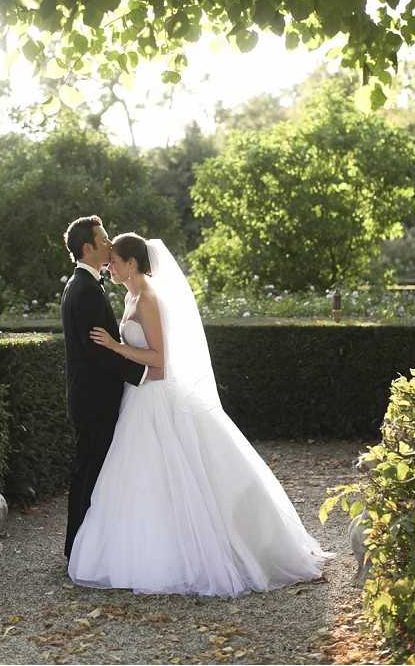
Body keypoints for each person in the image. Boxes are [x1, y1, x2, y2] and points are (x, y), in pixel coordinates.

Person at [68, 233, 334, 596]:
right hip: (137, 398)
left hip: (155, 397)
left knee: (174, 474)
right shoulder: (130, 295)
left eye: (114, 258)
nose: (109, 264)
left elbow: (160, 360)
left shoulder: (147, 298)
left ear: (131, 263)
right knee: (139, 479)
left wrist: (116, 346)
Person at [61, 216, 164, 561]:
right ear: (88, 247)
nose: (109, 244)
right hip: (94, 399)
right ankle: (80, 548)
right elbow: (99, 352)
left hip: (94, 396)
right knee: (90, 471)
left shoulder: (86, 285)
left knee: (95, 471)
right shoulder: (85, 290)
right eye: (103, 239)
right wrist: (143, 375)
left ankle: (85, 546)